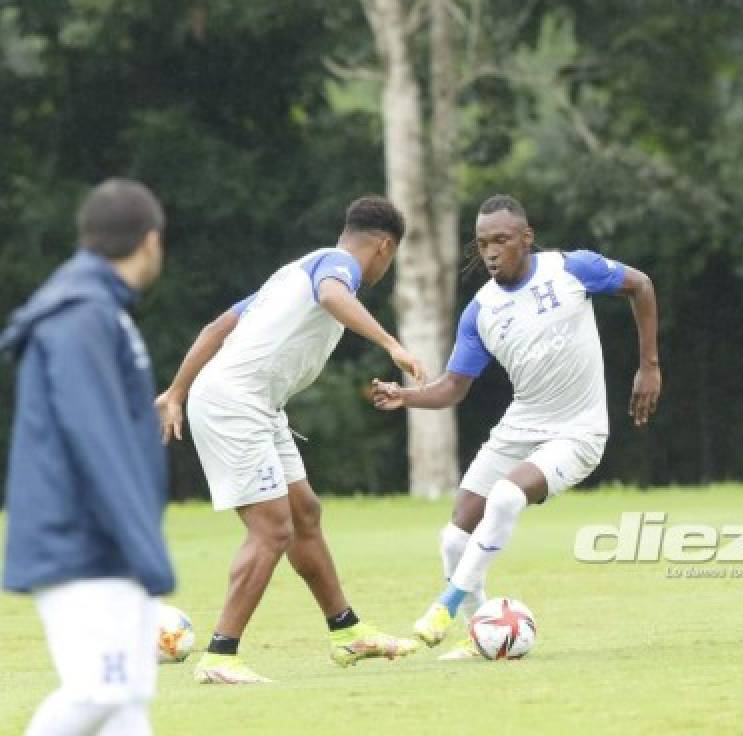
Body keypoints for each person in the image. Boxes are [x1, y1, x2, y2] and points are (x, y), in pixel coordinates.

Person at [372, 194, 661, 659]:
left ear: (526, 239)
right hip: (522, 425)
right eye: (482, 243)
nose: (490, 252)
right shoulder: (481, 311)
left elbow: (641, 285)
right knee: (454, 536)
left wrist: (649, 366)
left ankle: (444, 606)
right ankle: (479, 634)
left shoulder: (571, 270)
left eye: (502, 240)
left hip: (578, 432)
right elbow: (452, 389)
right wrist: (405, 396)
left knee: (506, 495)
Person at [155, 196, 424, 684]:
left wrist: (176, 391)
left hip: (258, 407)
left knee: (304, 515)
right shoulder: (337, 268)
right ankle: (220, 655)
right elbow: (332, 298)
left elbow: (218, 327)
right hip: (235, 403)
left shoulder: (292, 271)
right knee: (272, 529)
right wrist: (390, 343)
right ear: (385, 247)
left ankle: (347, 632)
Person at [1, 179, 175, 735]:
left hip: (104, 543)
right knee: (99, 692)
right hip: (77, 542)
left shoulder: (101, 311)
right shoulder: (80, 316)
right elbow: (95, 439)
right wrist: (144, 545)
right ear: (151, 241)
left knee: (126, 708)